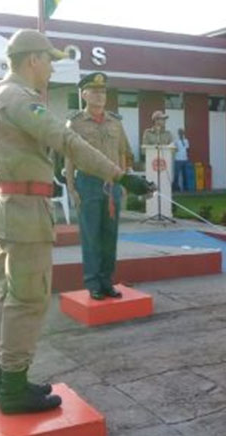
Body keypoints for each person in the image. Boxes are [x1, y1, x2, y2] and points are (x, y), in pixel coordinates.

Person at [0, 29, 152, 415]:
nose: (50, 69)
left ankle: (8, 379)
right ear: (32, 59)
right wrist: (118, 175)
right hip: (24, 211)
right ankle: (13, 390)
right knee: (27, 298)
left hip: (2, 208)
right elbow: (67, 142)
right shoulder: (18, 98)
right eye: (48, 61)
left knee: (8, 295)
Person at [65, 72, 148, 300]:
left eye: (103, 92)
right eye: (95, 91)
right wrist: (71, 187)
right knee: (91, 235)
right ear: (84, 94)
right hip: (88, 183)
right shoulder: (75, 123)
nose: (100, 96)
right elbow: (69, 156)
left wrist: (124, 182)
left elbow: (122, 153)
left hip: (113, 184)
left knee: (109, 235)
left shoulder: (115, 122)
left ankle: (107, 281)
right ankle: (93, 283)